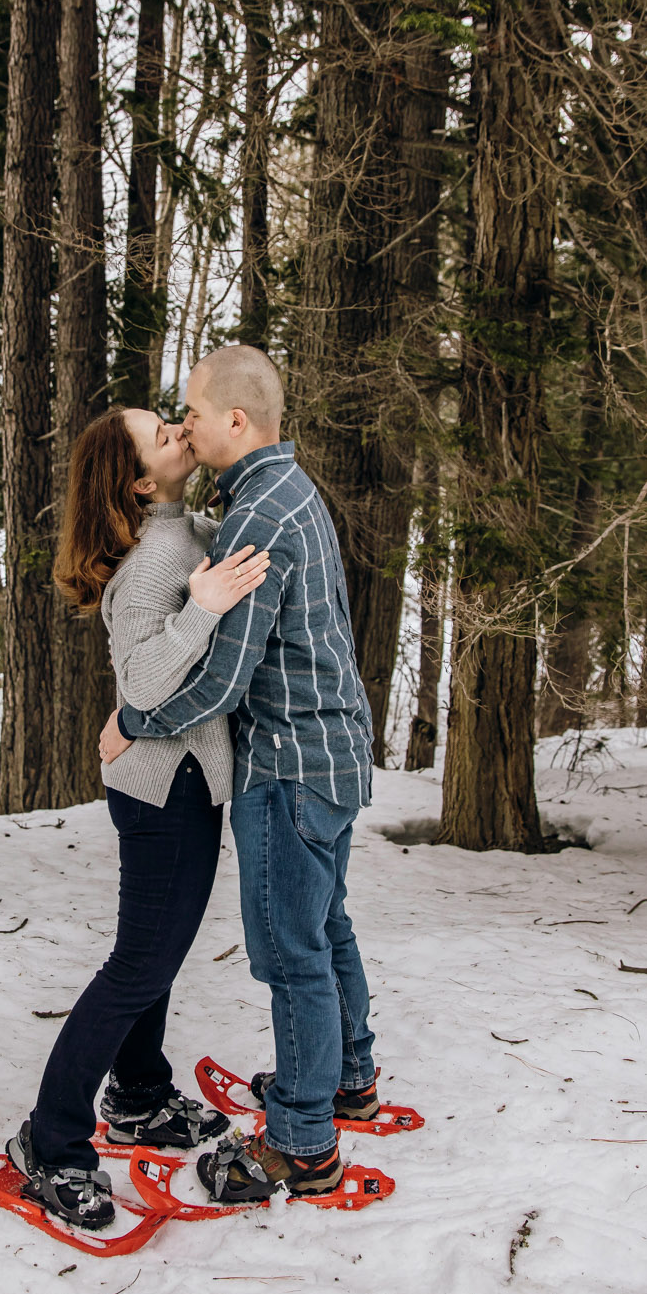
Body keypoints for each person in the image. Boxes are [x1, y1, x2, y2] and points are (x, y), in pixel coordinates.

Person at [99, 344, 381, 1205]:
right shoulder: (285, 490)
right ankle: (348, 1080)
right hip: (333, 751)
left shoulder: (261, 514)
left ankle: (301, 1141)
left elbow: (221, 677)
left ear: (234, 420)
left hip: (289, 764)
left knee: (291, 952)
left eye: (189, 408)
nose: (181, 421)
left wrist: (133, 721)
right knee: (325, 927)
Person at [4, 406, 274, 1230]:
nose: (179, 432)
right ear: (139, 479)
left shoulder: (177, 528)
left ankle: (142, 1095)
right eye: (165, 434)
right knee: (137, 965)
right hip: (163, 792)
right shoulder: (156, 564)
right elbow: (146, 684)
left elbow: (209, 534)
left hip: (180, 784)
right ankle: (50, 1138)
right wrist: (200, 607)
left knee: (154, 957)